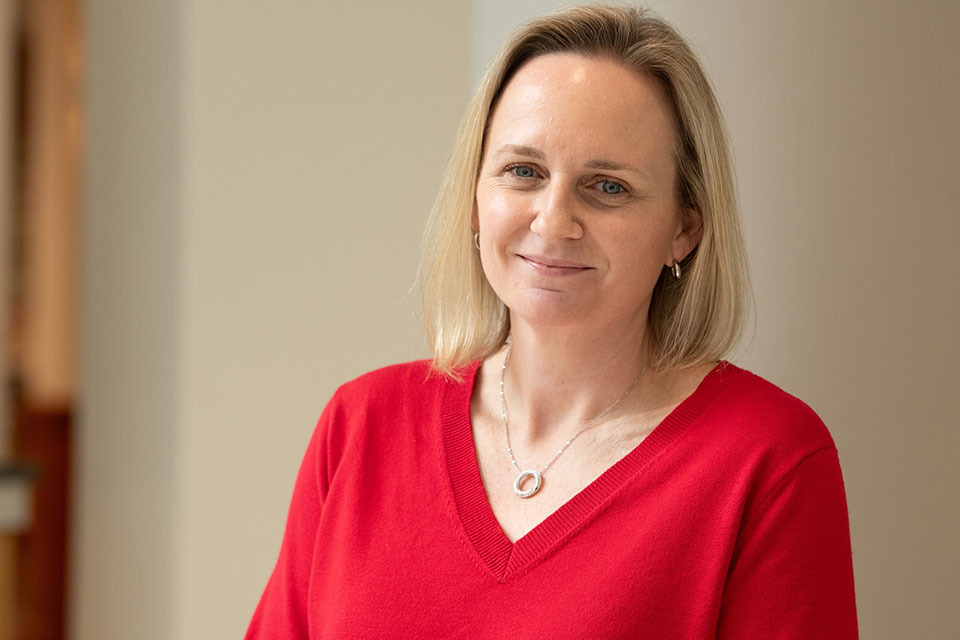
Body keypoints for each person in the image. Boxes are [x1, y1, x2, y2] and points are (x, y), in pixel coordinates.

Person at [246, 5, 858, 638]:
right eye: (524, 172)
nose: (553, 221)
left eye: (608, 186)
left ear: (684, 228)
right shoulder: (360, 426)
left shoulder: (769, 459)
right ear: (476, 197)